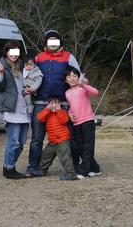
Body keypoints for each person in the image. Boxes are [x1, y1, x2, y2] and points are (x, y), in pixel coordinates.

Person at [26, 29, 80, 177]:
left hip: (63, 103)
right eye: (50, 41)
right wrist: (31, 89)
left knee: (68, 136)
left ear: (60, 42)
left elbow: (77, 75)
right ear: (46, 43)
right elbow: (30, 75)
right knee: (37, 137)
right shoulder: (39, 57)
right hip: (41, 102)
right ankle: (33, 168)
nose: (53, 43)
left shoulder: (68, 57)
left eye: (56, 40)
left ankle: (74, 167)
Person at [0, 41, 30, 180]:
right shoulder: (1, 66)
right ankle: (9, 168)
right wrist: (1, 73)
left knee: (21, 142)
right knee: (13, 141)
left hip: (24, 107)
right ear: (6, 52)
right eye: (11, 52)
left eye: (17, 52)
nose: (14, 55)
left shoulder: (22, 65)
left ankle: (9, 165)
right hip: (11, 109)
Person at [65, 66, 101, 179]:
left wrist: (84, 85)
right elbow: (71, 106)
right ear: (65, 80)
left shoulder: (83, 88)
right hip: (76, 124)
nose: (72, 78)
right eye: (69, 76)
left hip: (88, 121)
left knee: (88, 146)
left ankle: (83, 171)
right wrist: (69, 113)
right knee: (80, 148)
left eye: (75, 76)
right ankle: (95, 168)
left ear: (78, 77)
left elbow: (96, 92)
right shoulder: (67, 93)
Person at [37, 96, 77, 181]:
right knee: (45, 155)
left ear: (60, 104)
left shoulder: (62, 112)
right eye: (51, 103)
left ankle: (71, 174)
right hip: (52, 141)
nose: (54, 105)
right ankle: (42, 170)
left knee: (65, 157)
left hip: (63, 140)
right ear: (47, 104)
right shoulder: (47, 113)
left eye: (56, 103)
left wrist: (58, 110)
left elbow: (64, 120)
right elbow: (40, 118)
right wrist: (47, 109)